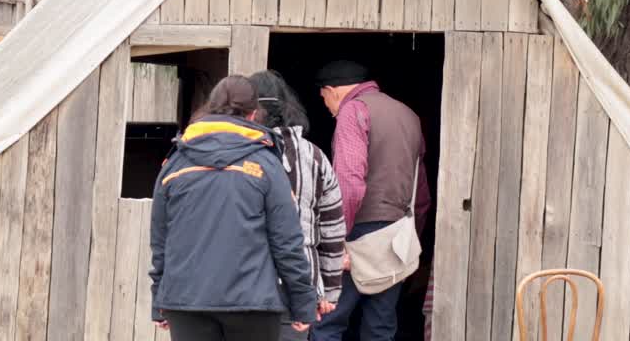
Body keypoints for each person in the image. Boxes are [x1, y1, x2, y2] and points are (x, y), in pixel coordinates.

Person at [150, 75, 316, 341]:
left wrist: (159, 298)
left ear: (210, 109)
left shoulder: (175, 162)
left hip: (186, 301)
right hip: (252, 303)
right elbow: (286, 241)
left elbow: (161, 240)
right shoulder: (266, 163)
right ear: (253, 115)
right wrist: (302, 303)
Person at [310, 60, 431, 341]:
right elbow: (421, 192)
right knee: (381, 326)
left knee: (328, 323)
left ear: (332, 91)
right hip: (396, 236)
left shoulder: (352, 111)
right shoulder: (408, 115)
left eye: (324, 98)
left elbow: (349, 182)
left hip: (357, 232)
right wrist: (412, 236)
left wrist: (336, 239)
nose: (327, 106)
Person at [249, 70, 345, 341]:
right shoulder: (314, 156)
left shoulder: (233, 152)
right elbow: (332, 227)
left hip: (240, 280)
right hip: (298, 283)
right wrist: (330, 290)